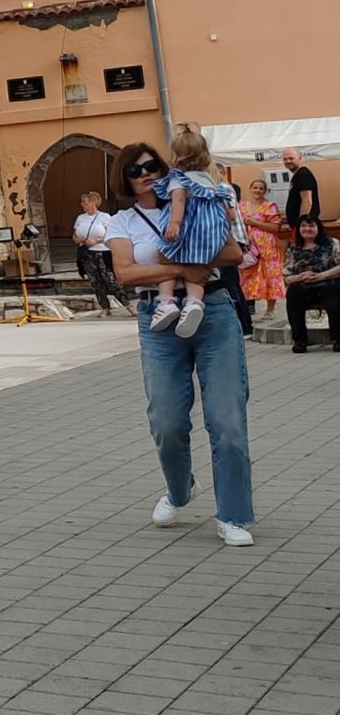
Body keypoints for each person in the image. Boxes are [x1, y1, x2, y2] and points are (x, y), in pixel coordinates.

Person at [107, 141, 253, 546]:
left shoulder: (195, 195)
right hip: (157, 318)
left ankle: (234, 515)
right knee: (167, 422)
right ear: (125, 179)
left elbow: (231, 253)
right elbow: (126, 273)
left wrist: (169, 263)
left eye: (152, 165)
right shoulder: (122, 222)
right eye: (136, 171)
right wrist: (185, 265)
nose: (146, 174)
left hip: (215, 310)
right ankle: (180, 489)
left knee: (227, 420)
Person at [147, 127, 233, 337]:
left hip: (188, 230)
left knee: (165, 257)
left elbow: (179, 201)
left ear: (176, 156)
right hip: (210, 233)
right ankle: (194, 303)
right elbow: (224, 209)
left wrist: (175, 224)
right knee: (197, 266)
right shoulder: (209, 179)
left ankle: (167, 301)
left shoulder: (179, 178)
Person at [282, 214, 340, 353]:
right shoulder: (293, 249)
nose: (307, 229)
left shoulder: (332, 243)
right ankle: (300, 341)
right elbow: (287, 278)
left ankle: (338, 339)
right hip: (305, 286)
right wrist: (301, 277)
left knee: (334, 291)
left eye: (311, 226)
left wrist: (321, 276)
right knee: (293, 292)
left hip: (329, 283)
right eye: (304, 226)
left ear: (318, 228)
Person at [239, 179, 287, 325]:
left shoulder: (269, 206)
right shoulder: (241, 206)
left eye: (261, 188)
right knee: (246, 276)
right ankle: (246, 309)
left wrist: (254, 223)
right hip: (248, 247)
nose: (258, 190)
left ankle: (270, 310)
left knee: (270, 276)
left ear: (265, 191)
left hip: (268, 246)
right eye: (255, 188)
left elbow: (275, 227)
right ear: (250, 189)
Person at [73, 192, 125, 316]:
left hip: (101, 251)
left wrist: (96, 240)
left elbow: (110, 233)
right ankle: (105, 307)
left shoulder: (105, 217)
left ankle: (127, 304)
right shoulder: (80, 218)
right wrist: (79, 240)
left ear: (93, 202)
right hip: (87, 253)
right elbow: (74, 235)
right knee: (96, 282)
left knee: (110, 280)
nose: (82, 204)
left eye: (85, 201)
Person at [283, 148, 320, 225]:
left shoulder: (303, 174)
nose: (288, 161)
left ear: (300, 158)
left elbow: (307, 201)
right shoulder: (297, 175)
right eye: (285, 159)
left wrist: (301, 224)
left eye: (291, 158)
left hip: (305, 224)